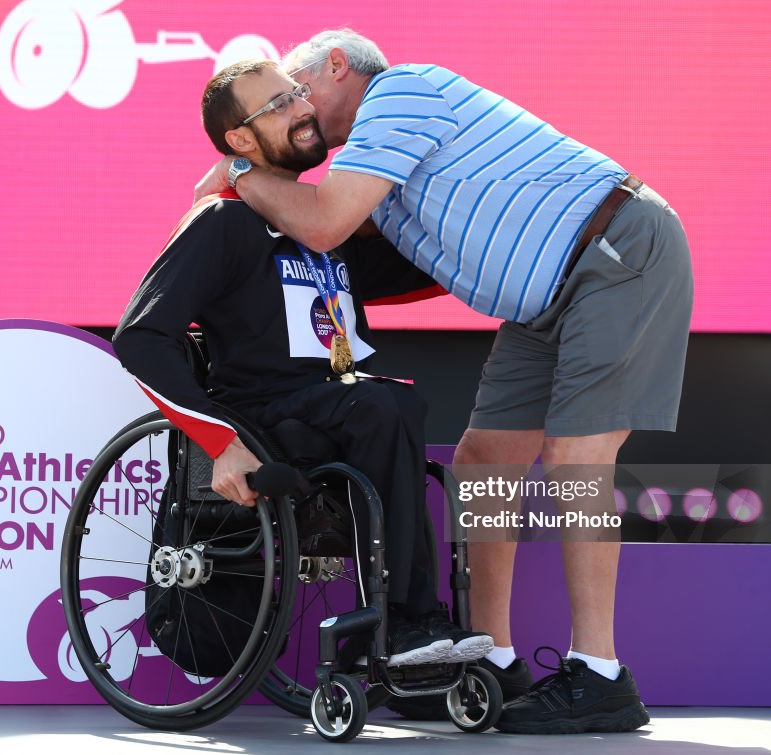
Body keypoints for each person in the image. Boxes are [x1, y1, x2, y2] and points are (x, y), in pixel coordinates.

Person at [193, 31, 693, 734]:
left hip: (612, 251)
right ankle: (494, 658)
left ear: (337, 67)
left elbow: (327, 222)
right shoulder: (382, 177)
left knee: (578, 457)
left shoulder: (400, 91)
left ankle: (601, 673)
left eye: (300, 90)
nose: (300, 111)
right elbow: (332, 246)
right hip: (544, 299)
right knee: (484, 461)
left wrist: (240, 174)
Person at [112, 59, 493, 669]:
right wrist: (220, 443)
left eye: (298, 94)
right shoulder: (222, 221)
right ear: (239, 140)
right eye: (279, 105)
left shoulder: (323, 225)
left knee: (389, 401)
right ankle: (404, 627)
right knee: (383, 403)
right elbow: (141, 337)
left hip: (339, 402)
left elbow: (435, 266)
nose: (303, 109)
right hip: (267, 416)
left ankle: (421, 641)